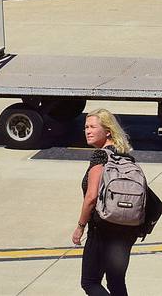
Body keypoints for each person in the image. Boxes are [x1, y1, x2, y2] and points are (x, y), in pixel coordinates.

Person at [75, 109, 141, 295]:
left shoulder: (101, 156)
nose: (87, 131)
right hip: (128, 228)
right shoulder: (126, 156)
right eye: (86, 127)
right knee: (116, 282)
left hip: (102, 228)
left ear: (108, 131)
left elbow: (92, 197)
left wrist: (80, 226)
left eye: (93, 127)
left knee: (90, 282)